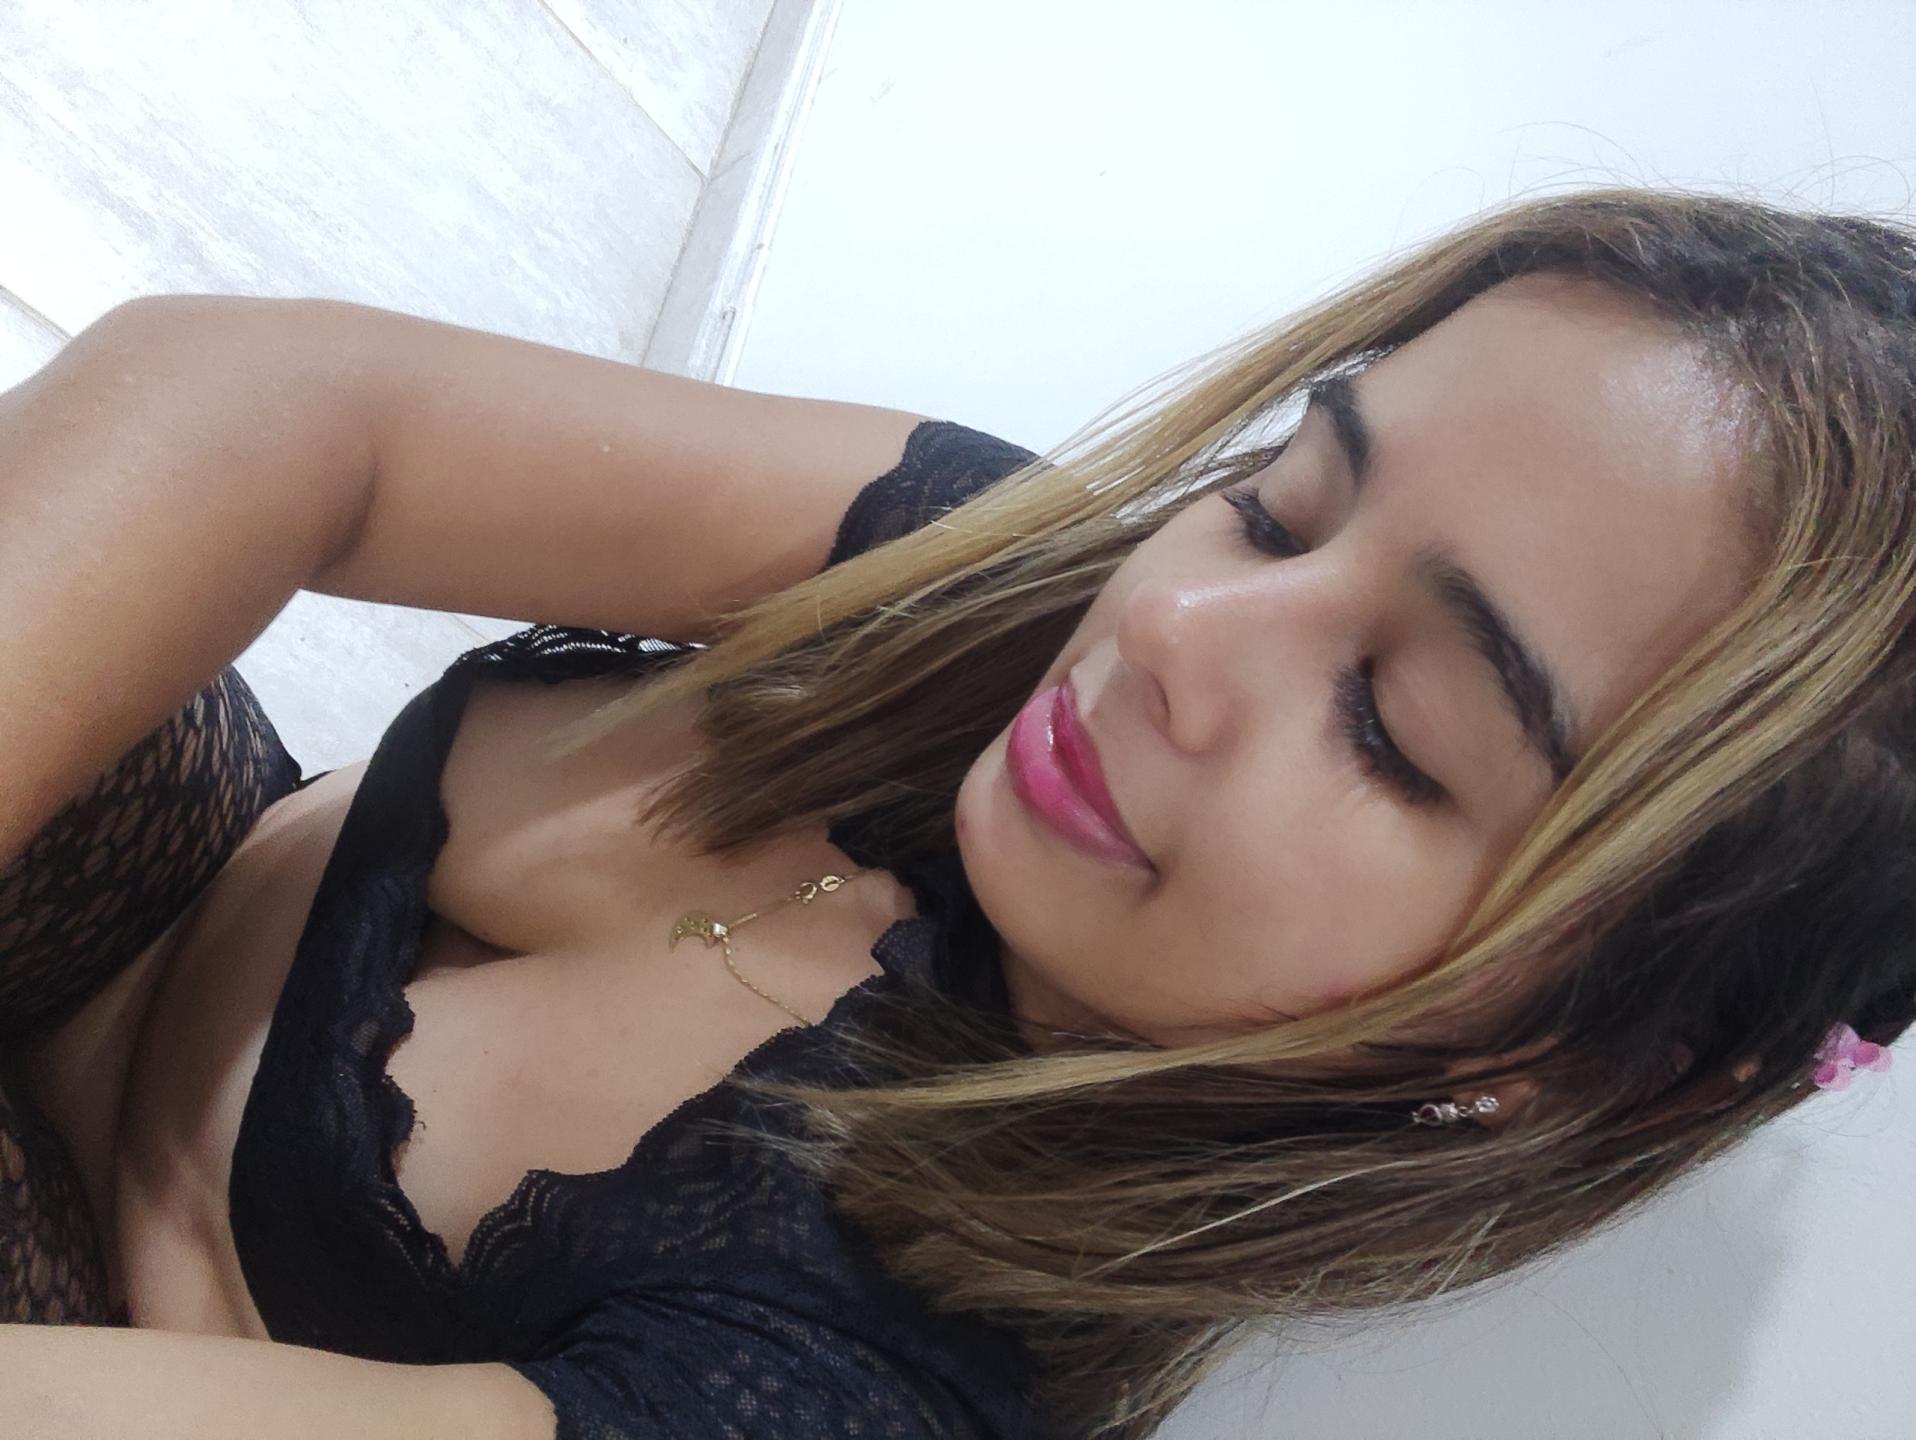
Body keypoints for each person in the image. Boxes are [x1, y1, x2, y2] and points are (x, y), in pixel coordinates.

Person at [2, 185, 1912, 1439]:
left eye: (1394, 727)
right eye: (1286, 503)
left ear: (1563, 1064)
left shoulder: (857, 1380)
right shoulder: (980, 593)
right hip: (141, 864)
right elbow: (280, 398)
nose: (1175, 630)